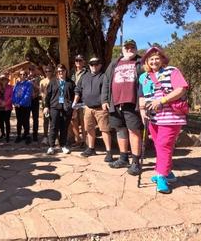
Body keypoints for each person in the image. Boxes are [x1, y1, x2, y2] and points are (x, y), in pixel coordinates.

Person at [138, 47, 189, 193]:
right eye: (151, 58)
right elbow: (142, 97)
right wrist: (142, 112)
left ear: (162, 59)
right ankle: (167, 172)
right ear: (146, 61)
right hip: (153, 118)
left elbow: (181, 89)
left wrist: (163, 100)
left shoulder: (172, 71)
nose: (154, 61)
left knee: (163, 145)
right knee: (159, 145)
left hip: (171, 117)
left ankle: (161, 176)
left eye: (157, 58)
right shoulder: (144, 77)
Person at [102, 39, 144, 175]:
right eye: (127, 47)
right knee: (120, 130)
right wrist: (104, 99)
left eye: (132, 47)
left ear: (136, 48)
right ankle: (123, 158)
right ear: (123, 48)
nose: (129, 49)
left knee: (134, 131)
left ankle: (136, 162)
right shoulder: (115, 63)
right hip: (115, 103)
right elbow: (106, 81)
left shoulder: (141, 62)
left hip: (133, 103)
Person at [73, 57, 113, 162]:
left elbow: (107, 91)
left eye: (96, 64)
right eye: (92, 64)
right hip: (88, 108)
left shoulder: (104, 76)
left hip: (101, 108)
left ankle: (109, 152)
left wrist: (105, 102)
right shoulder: (84, 76)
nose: (94, 66)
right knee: (89, 129)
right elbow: (78, 89)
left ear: (100, 65)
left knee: (105, 129)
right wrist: (75, 102)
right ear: (89, 65)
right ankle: (91, 148)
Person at [43, 64, 76, 155]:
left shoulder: (71, 83)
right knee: (53, 127)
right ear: (57, 72)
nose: (61, 73)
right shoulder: (53, 82)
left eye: (62, 71)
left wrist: (74, 109)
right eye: (59, 71)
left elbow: (74, 97)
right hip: (54, 107)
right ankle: (51, 146)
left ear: (65, 71)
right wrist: (46, 107)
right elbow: (48, 96)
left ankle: (63, 145)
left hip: (67, 108)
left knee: (64, 127)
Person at [12, 69, 33, 144]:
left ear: (26, 76)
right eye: (21, 74)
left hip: (26, 105)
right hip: (17, 106)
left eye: (24, 74)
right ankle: (19, 135)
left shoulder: (29, 84)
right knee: (19, 121)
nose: (22, 76)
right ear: (19, 76)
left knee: (26, 121)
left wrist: (20, 103)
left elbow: (27, 95)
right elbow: (13, 93)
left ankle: (27, 135)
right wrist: (14, 102)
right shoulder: (17, 84)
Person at [70, 54, 87, 147]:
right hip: (73, 99)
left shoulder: (87, 72)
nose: (78, 62)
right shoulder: (72, 73)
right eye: (77, 60)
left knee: (84, 121)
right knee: (74, 120)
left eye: (80, 60)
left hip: (83, 100)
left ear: (84, 62)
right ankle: (78, 140)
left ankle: (85, 141)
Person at [0, 74, 13, 142]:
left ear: (7, 80)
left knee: (7, 121)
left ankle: (7, 135)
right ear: (0, 80)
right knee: (1, 121)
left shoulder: (10, 87)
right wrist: (0, 102)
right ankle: (2, 133)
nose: (3, 81)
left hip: (7, 107)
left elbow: (11, 97)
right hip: (0, 106)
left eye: (5, 79)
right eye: (2, 79)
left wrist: (5, 103)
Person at [39, 65, 54, 145]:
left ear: (52, 72)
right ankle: (45, 137)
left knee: (54, 121)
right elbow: (41, 92)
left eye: (49, 71)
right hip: (45, 104)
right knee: (46, 120)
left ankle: (54, 137)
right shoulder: (42, 81)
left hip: (54, 103)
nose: (48, 73)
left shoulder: (55, 80)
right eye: (46, 71)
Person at [28, 65, 41, 142]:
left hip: (35, 100)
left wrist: (33, 84)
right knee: (26, 118)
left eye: (32, 70)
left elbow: (40, 89)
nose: (31, 71)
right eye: (30, 70)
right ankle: (27, 134)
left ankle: (35, 134)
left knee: (35, 118)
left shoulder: (39, 79)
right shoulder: (26, 78)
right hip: (28, 101)